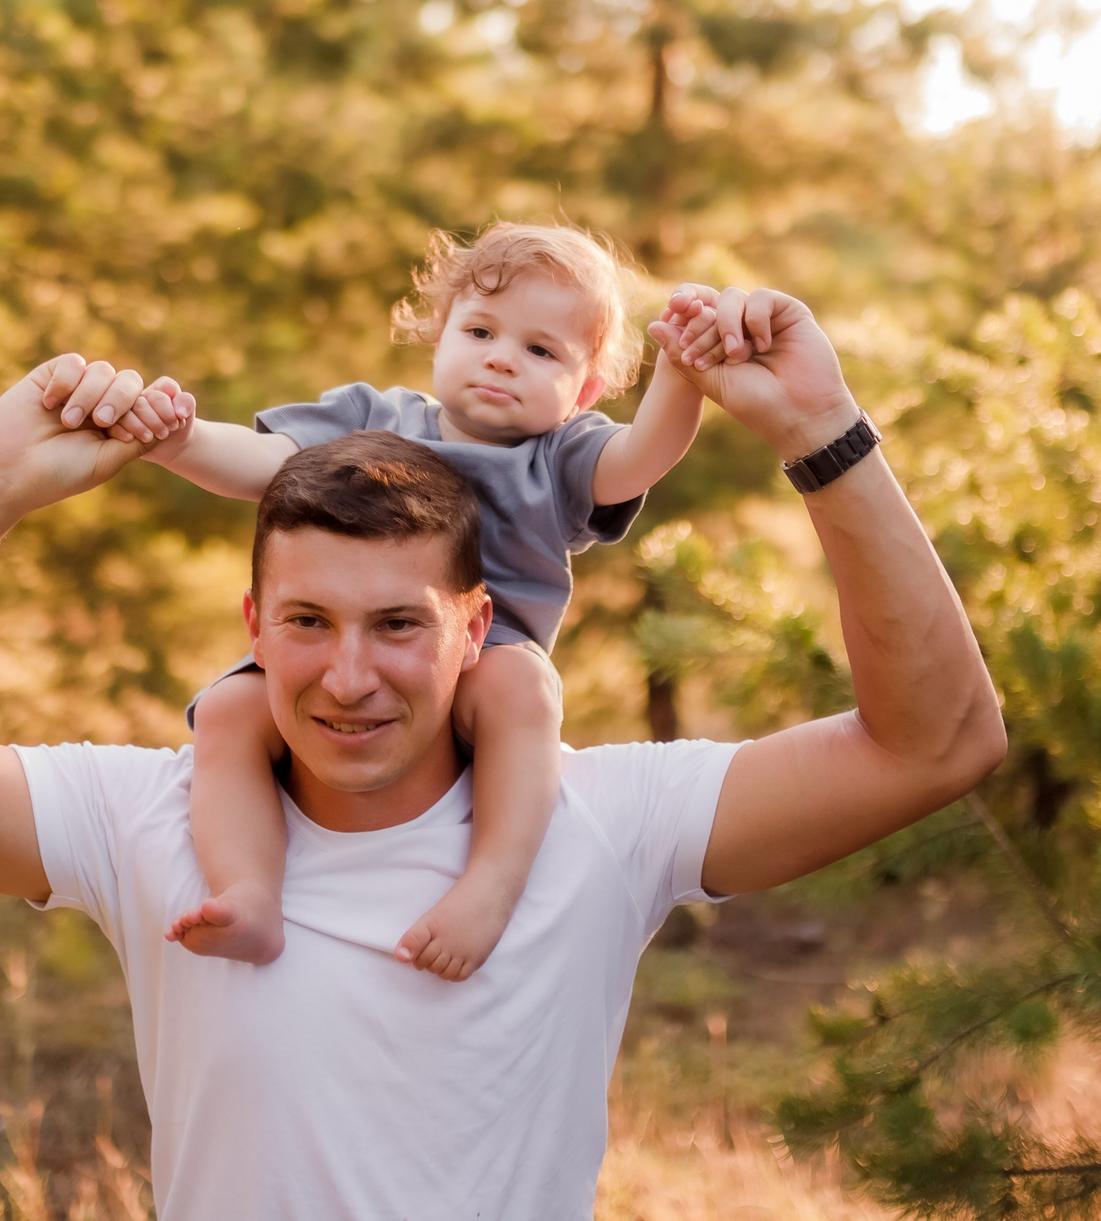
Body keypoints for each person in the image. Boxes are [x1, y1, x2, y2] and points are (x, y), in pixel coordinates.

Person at [0, 286, 1006, 1221]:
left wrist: (823, 433)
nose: (347, 678)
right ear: (253, 628)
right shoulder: (150, 816)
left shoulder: (601, 820)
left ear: (475, 629)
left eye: (397, 625)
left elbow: (935, 745)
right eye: (306, 623)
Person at [103, 223, 710, 980]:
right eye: (481, 329)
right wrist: (175, 442)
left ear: (583, 389)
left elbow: (639, 457)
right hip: (356, 647)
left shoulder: (559, 456)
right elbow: (266, 462)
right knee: (228, 709)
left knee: (524, 686)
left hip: (487, 662)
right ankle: (250, 892)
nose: (501, 356)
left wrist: (682, 377)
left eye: (540, 350)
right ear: (439, 336)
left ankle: (491, 883)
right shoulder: (375, 418)